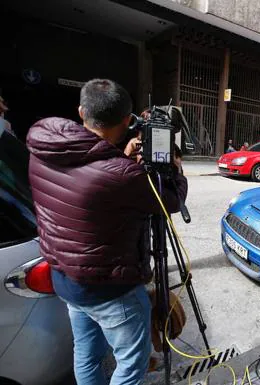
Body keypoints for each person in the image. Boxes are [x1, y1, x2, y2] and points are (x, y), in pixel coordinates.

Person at [26, 79, 188, 385]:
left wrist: (118, 155)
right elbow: (171, 200)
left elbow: (94, 179)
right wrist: (176, 169)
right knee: (131, 364)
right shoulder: (121, 175)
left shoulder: (43, 148)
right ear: (127, 121)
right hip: (112, 290)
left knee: (87, 354)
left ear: (81, 111)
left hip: (67, 279)